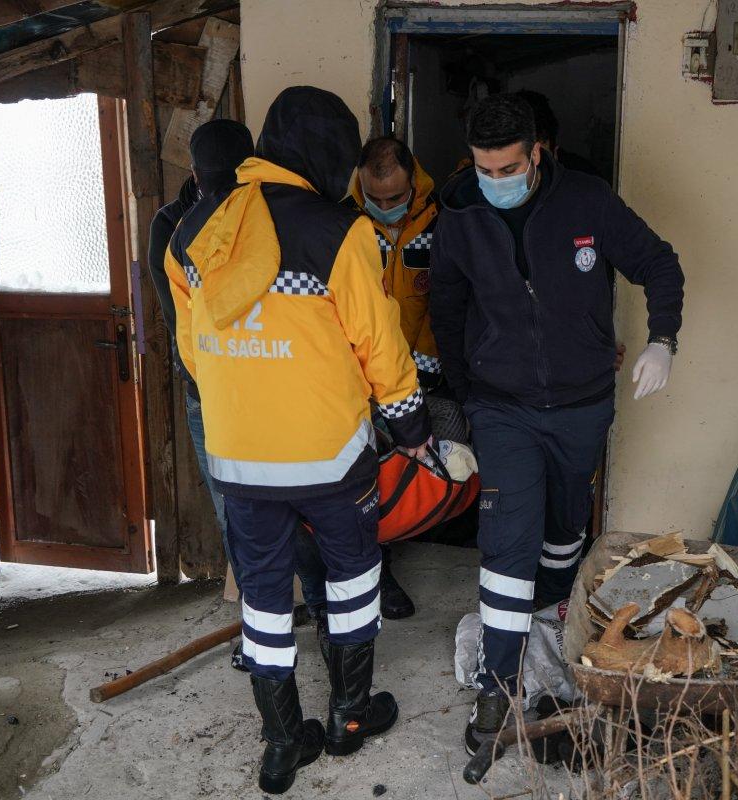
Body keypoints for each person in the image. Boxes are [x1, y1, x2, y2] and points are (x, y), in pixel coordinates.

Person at [167, 87, 431, 794]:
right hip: (330, 458)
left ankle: (283, 742)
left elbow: (192, 351)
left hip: (240, 459)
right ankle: (350, 714)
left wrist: (241, 393)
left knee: (262, 596)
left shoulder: (196, 230)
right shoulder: (338, 231)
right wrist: (410, 424)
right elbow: (380, 345)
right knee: (350, 580)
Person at [429, 93, 684, 754]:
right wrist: (463, 395)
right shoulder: (460, 213)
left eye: (508, 168)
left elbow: (659, 264)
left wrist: (663, 339)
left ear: (538, 152)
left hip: (581, 404)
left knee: (564, 531)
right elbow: (448, 306)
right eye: (486, 169)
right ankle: (497, 688)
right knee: (507, 540)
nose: (496, 182)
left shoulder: (589, 202)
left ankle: (544, 632)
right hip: (502, 405)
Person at [147, 120, 329, 671]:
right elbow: (183, 320)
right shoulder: (180, 225)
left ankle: (302, 615)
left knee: (264, 511)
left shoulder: (245, 212)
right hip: (234, 392)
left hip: (247, 390)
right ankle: (274, 626)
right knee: (259, 513)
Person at [342, 135, 444, 620]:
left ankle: (393, 553)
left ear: (414, 182)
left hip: (417, 372)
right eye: (374, 198)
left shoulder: (440, 220)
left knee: (410, 473)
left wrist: (418, 370)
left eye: (394, 199)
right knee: (365, 480)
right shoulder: (342, 221)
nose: (383, 208)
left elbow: (444, 303)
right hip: (355, 378)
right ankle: (377, 573)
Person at [515, 89, 603, 179]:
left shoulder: (584, 178)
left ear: (555, 153)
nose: (531, 172)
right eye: (510, 169)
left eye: (538, 158)